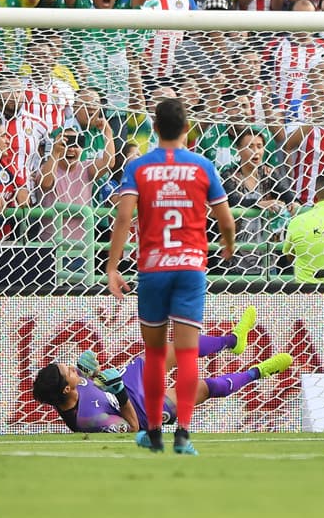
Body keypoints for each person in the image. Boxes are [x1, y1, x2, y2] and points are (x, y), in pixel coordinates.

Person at [106, 98, 238, 456]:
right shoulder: (202, 166)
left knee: (154, 353)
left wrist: (113, 265)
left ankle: (152, 432)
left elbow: (123, 217)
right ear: (186, 129)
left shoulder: (139, 167)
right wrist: (227, 246)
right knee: (187, 353)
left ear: (154, 127)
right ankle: (182, 433)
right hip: (190, 268)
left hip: (153, 268)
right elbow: (226, 220)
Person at [31, 311, 293, 433]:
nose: (71, 367)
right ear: (66, 388)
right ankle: (259, 372)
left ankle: (234, 341)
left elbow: (98, 389)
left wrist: (94, 373)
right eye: (68, 371)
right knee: (203, 387)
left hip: (129, 383)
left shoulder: (71, 391)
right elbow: (132, 428)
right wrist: (120, 394)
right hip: (144, 411)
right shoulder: (86, 420)